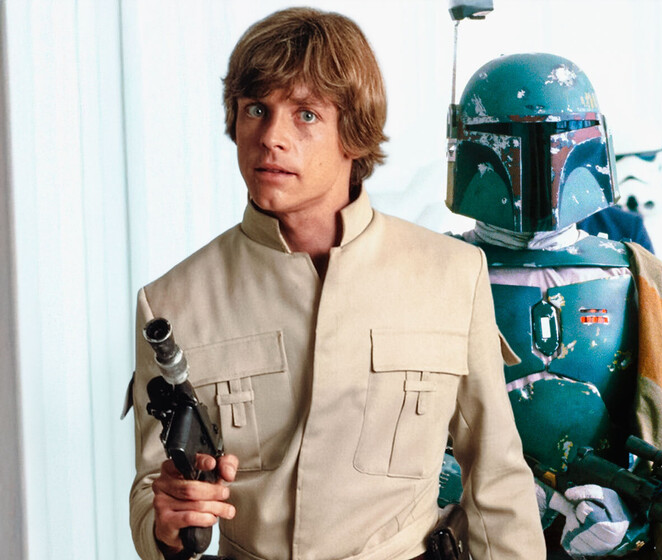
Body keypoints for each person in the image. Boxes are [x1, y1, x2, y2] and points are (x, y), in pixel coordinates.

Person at [128, 8, 545, 560]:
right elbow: (151, 487)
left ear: (354, 133)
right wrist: (165, 525)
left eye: (305, 114)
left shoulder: (452, 274)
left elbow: (497, 480)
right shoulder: (170, 303)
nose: (271, 138)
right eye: (256, 109)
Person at [445, 52, 662, 559]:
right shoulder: (429, 272)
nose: (537, 163)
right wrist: (479, 490)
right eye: (516, 137)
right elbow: (387, 436)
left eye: (556, 137)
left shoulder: (643, 278)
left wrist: (631, 520)